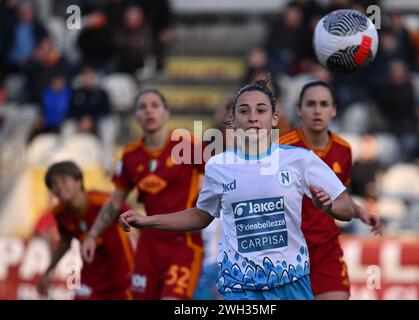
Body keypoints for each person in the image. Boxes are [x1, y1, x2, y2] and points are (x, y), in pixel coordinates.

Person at [118, 78, 380, 300]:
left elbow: (345, 207)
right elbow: (201, 215)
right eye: (244, 111)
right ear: (232, 119)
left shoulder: (300, 159)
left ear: (274, 117)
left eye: (261, 110)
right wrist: (148, 220)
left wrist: (329, 207)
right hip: (239, 284)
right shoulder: (219, 165)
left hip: (290, 280)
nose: (253, 117)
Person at [81, 89, 205, 300]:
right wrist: (92, 235)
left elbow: (220, 175)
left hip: (183, 242)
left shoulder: (188, 144)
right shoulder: (130, 155)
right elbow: (114, 203)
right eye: (142, 107)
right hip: (148, 245)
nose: (149, 111)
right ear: (136, 116)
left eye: (155, 106)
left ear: (166, 113)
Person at [279, 80, 382, 300]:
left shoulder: (343, 149)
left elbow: (340, 196)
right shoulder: (282, 148)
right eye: (311, 104)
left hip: (326, 248)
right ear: (299, 109)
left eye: (324, 104)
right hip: (288, 250)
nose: (318, 111)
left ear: (333, 110)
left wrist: (360, 211)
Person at [37, 161, 134, 300]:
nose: (59, 187)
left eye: (64, 181)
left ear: (78, 181)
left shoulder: (104, 202)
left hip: (122, 276)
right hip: (91, 278)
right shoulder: (60, 213)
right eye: (54, 184)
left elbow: (137, 222)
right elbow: (65, 240)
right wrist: (48, 271)